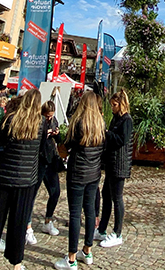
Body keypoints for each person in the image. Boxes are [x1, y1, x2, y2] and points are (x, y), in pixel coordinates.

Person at [0, 89, 45, 270]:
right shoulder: (41, 123)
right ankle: (16, 263)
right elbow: (43, 151)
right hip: (26, 180)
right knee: (19, 222)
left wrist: (1, 158)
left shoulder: (11, 120)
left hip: (5, 177)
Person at [54, 91, 106, 270]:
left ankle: (71, 258)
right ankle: (88, 250)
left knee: (75, 214)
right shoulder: (100, 123)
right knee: (90, 211)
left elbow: (66, 147)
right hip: (94, 173)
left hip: (77, 173)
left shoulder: (78, 122)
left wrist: (60, 143)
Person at [96, 89, 133, 248]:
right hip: (111, 162)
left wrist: (107, 134)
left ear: (121, 104)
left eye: (114, 104)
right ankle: (102, 229)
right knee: (106, 195)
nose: (112, 107)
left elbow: (122, 140)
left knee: (117, 197)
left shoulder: (126, 120)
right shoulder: (117, 119)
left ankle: (118, 232)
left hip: (120, 163)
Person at [36, 100, 62, 238]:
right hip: (40, 160)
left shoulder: (54, 121)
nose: (49, 118)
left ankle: (48, 219)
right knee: (32, 192)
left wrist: (56, 134)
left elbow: (59, 140)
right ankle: (26, 224)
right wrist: (44, 134)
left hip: (51, 160)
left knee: (55, 192)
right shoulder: (38, 121)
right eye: (47, 116)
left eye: (51, 116)